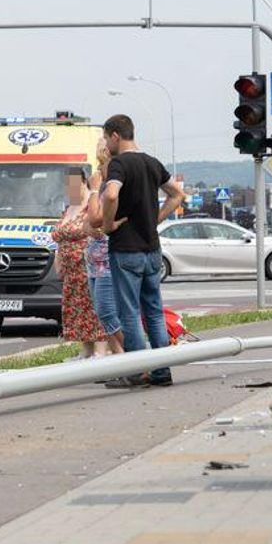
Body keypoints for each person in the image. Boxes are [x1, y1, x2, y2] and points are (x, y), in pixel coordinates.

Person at [95, 114, 186, 388]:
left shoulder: (120, 163)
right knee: (154, 311)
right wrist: (155, 219)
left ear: (115, 136)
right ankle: (161, 372)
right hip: (152, 249)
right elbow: (178, 194)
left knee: (130, 312)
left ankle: (137, 371)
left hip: (126, 249)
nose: (105, 144)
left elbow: (111, 195)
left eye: (105, 138)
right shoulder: (152, 162)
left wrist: (109, 224)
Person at [51, 168, 107, 358]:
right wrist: (58, 261)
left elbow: (98, 230)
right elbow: (59, 239)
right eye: (68, 184)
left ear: (84, 183)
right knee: (77, 309)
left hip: (87, 266)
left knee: (93, 307)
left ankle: (101, 350)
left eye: (75, 183)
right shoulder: (68, 209)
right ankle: (87, 349)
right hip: (70, 271)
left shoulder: (90, 205)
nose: (71, 188)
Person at [84, 138, 125, 355]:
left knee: (108, 313)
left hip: (108, 262)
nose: (99, 169)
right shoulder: (102, 188)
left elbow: (94, 220)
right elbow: (87, 225)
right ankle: (123, 363)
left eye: (102, 164)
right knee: (103, 316)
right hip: (94, 262)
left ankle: (135, 357)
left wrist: (92, 191)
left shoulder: (109, 188)